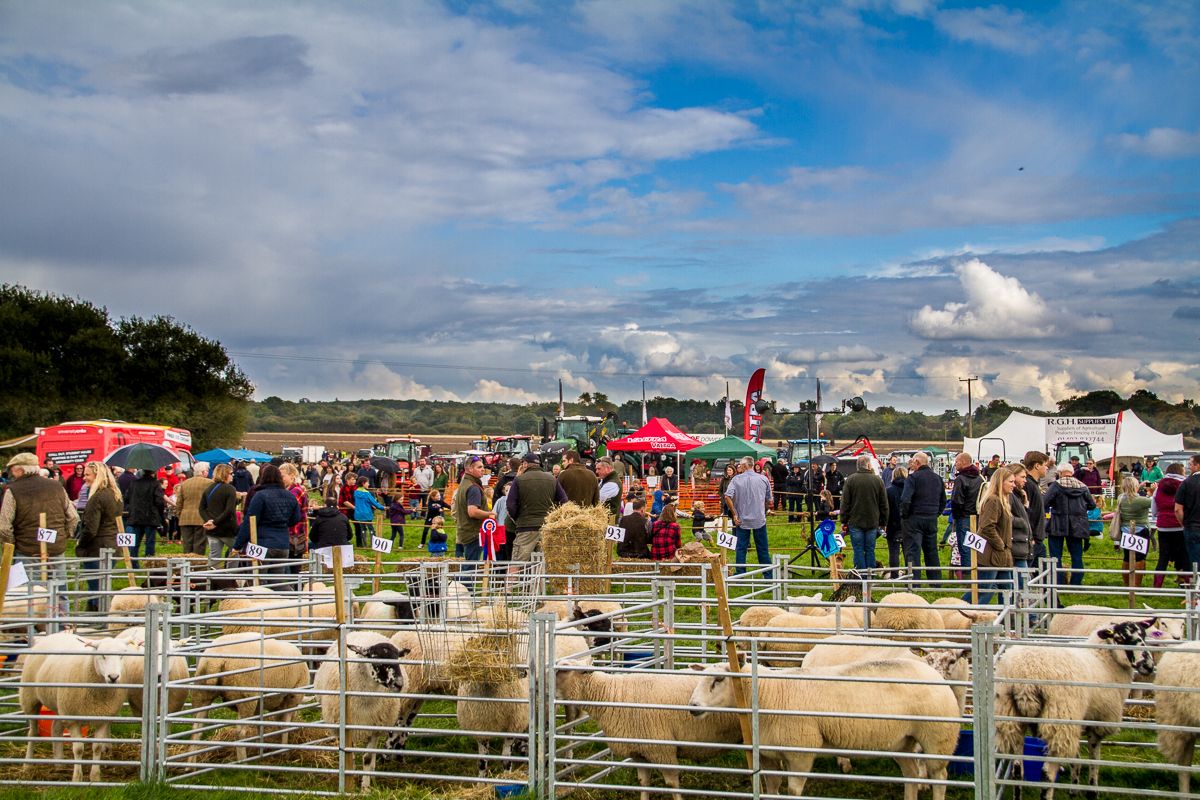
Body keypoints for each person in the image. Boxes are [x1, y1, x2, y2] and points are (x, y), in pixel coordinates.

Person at [0, 452, 79, 583]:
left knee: (30, 595)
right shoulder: (56, 486)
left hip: (27, 550)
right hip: (56, 548)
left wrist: (12, 545)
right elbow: (74, 517)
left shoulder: (13, 490)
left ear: (19, 469)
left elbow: (4, 526)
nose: (12, 474)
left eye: (12, 470)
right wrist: (62, 536)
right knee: (59, 593)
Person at [233, 464, 301, 576]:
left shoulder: (260, 496)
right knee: (277, 582)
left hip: (262, 544)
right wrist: (282, 524)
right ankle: (296, 594)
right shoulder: (290, 496)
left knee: (258, 580)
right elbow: (295, 519)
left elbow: (250, 521)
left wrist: (238, 545)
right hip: (283, 544)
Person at [963, 464, 1016, 604]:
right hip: (991, 554)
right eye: (1011, 481)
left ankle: (1007, 618)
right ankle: (960, 612)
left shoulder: (1004, 500)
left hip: (1001, 555)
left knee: (1006, 587)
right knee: (984, 588)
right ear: (1000, 482)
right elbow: (987, 526)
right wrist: (1000, 544)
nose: (1013, 485)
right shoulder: (993, 500)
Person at [76, 461, 123, 610]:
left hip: (97, 547)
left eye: (87, 475)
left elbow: (91, 528)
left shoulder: (96, 498)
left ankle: (99, 619)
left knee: (97, 588)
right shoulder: (115, 495)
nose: (84, 478)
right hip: (113, 545)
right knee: (102, 585)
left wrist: (80, 544)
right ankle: (93, 615)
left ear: (98, 476)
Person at [506, 452, 567, 561]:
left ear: (525, 464)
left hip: (525, 528)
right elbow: (564, 502)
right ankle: (540, 579)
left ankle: (513, 578)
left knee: (518, 563)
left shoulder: (519, 480)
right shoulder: (552, 479)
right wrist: (553, 518)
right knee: (541, 565)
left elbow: (510, 505)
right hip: (546, 528)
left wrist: (517, 519)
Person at [1043, 463, 1096, 587]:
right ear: (1072, 472)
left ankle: (1058, 582)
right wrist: (1081, 509)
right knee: (1077, 556)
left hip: (1057, 523)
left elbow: (1045, 501)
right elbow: (1092, 505)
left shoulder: (1056, 485)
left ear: (1060, 473)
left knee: (1056, 556)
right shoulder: (1083, 486)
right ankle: (1076, 583)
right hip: (1078, 525)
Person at [899, 452, 946, 584]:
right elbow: (943, 500)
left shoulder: (913, 478)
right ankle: (935, 581)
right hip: (931, 518)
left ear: (918, 463)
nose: (911, 464)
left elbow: (905, 499)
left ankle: (914, 581)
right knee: (931, 551)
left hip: (914, 518)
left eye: (912, 462)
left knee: (913, 551)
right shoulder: (938, 478)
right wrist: (936, 513)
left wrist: (905, 515)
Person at [724, 456, 773, 575]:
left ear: (745, 466)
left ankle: (740, 574)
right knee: (762, 549)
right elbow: (769, 499)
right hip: (759, 519)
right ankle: (768, 575)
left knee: (741, 548)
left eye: (740, 465)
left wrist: (735, 514)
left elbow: (727, 496)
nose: (739, 467)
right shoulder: (763, 479)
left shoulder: (736, 479)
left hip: (742, 519)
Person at [840, 454, 888, 572]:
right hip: (873, 521)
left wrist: (844, 520)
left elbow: (845, 503)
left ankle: (860, 575)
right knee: (870, 549)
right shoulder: (878, 480)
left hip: (855, 521)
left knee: (858, 549)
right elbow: (884, 504)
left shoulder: (850, 480)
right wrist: (883, 522)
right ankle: (870, 575)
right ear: (868, 465)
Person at [1152, 463, 1189, 588]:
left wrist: (1159, 515)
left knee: (1163, 557)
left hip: (1163, 526)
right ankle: (1188, 585)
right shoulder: (1185, 485)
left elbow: (1154, 508)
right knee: (1184, 555)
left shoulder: (1159, 487)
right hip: (1180, 525)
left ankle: (1157, 586)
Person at [453, 455, 496, 561]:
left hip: (465, 530)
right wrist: (491, 514)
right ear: (469, 469)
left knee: (468, 566)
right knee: (471, 568)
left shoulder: (464, 484)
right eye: (479, 467)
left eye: (482, 467)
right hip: (473, 533)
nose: (483, 469)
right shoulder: (473, 488)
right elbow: (472, 512)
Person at [949, 453, 984, 573]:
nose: (955, 464)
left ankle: (968, 573)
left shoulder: (961, 479)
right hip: (977, 516)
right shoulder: (980, 478)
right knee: (975, 546)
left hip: (963, 517)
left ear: (964, 462)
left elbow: (956, 500)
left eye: (957, 461)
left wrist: (956, 516)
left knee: (964, 547)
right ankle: (977, 571)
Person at [1115, 475, 1152, 588]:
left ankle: (1127, 583)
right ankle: (1136, 584)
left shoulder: (1121, 498)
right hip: (1141, 530)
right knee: (1140, 558)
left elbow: (1130, 493)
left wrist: (1139, 486)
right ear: (1135, 486)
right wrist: (1152, 491)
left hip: (1126, 530)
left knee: (1127, 557)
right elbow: (1154, 503)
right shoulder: (1141, 500)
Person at [200, 463, 240, 566]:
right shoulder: (230, 489)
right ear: (225, 474)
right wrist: (215, 522)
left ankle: (212, 579)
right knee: (234, 553)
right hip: (227, 529)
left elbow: (201, 508)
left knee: (214, 555)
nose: (233, 475)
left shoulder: (208, 489)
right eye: (231, 473)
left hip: (212, 530)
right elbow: (229, 510)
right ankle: (230, 576)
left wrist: (209, 521)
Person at [126, 468, 165, 570]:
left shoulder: (134, 483)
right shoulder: (155, 484)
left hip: (136, 516)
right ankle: (149, 564)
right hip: (150, 517)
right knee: (149, 542)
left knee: (135, 543)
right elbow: (159, 502)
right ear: (153, 472)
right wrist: (161, 516)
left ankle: (134, 565)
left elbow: (127, 498)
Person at [174, 461, 213, 556]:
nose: (208, 473)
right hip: (201, 517)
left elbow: (179, 502)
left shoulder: (185, 483)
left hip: (185, 517)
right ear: (203, 472)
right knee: (199, 545)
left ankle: (186, 566)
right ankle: (197, 566)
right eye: (207, 470)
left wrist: (180, 514)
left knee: (187, 544)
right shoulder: (210, 483)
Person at [1020, 451, 1050, 571]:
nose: (1047, 468)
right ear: (1037, 465)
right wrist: (1031, 536)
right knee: (1026, 575)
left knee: (1043, 575)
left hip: (1037, 537)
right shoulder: (1028, 485)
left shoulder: (1033, 484)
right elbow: (1026, 511)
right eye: (1045, 464)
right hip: (1033, 538)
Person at [1009, 464, 1036, 590]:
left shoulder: (1019, 495)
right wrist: (1022, 522)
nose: (1025, 480)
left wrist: (1025, 505)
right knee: (1021, 586)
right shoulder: (1008, 495)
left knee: (1014, 585)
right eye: (1023, 477)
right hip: (1016, 544)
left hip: (1022, 543)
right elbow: (1005, 518)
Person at [280, 462, 309, 568]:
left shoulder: (295, 491)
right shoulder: (289, 490)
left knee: (293, 569)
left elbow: (286, 511)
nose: (280, 479)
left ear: (292, 475)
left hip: (295, 535)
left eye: (282, 476)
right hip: (292, 535)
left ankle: (295, 585)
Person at [1174, 454, 1200, 573]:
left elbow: (1177, 509)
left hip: (1192, 526)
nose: (1188, 467)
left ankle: (1196, 587)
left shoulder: (1186, 483)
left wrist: (1184, 523)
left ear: (1197, 465)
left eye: (1190, 464)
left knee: (1194, 561)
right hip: (1192, 525)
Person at [884, 466, 908, 579]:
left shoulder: (888, 491)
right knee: (908, 552)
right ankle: (911, 573)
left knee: (893, 552)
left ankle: (894, 575)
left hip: (893, 524)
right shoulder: (910, 489)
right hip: (908, 525)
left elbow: (885, 509)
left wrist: (884, 524)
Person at [352, 478, 386, 547]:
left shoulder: (355, 492)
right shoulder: (367, 493)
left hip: (359, 513)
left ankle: (364, 545)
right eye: (367, 483)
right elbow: (375, 503)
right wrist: (383, 508)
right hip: (367, 513)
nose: (369, 484)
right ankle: (374, 544)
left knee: (363, 529)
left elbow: (363, 502)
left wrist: (370, 504)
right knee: (371, 528)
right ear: (363, 483)